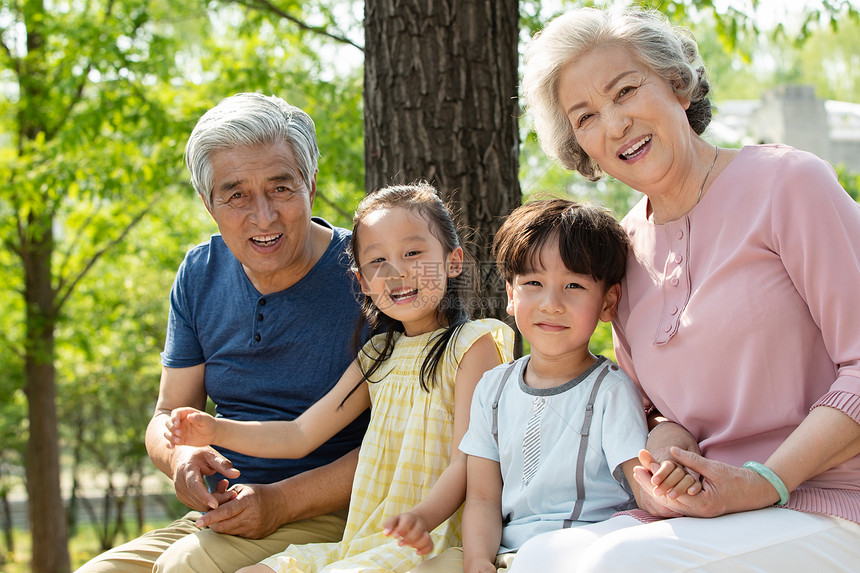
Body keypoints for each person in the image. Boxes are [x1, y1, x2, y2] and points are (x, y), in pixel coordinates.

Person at [510, 7, 860, 572]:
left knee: (617, 566)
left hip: (829, 501)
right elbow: (654, 410)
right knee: (538, 556)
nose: (615, 123)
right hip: (714, 512)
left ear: (678, 83)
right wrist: (663, 460)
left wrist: (762, 481)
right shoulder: (620, 251)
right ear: (582, 148)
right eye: (586, 117)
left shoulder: (789, 184)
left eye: (625, 91)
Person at [77, 93, 371, 573]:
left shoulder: (369, 275)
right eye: (236, 194)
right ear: (208, 203)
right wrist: (181, 457)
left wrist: (281, 501)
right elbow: (168, 412)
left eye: (280, 188)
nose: (263, 217)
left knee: (185, 568)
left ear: (310, 186)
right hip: (227, 511)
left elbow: (399, 437)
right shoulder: (199, 272)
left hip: (339, 512)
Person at [165, 182, 515, 573]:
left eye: (413, 253)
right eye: (378, 261)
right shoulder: (377, 355)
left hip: (430, 535)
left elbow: (466, 462)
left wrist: (422, 517)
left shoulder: (471, 345)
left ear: (452, 261)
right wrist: (215, 430)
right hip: (369, 535)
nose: (397, 272)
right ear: (363, 281)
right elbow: (299, 434)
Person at [402, 198, 652, 573]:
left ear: (608, 301)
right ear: (510, 294)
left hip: (580, 552)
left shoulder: (610, 391)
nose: (551, 303)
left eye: (574, 285)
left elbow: (643, 489)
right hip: (503, 552)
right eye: (533, 283)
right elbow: (484, 499)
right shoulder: (493, 388)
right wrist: (478, 562)